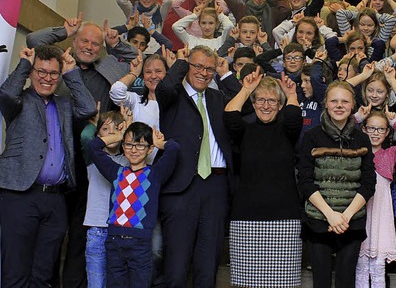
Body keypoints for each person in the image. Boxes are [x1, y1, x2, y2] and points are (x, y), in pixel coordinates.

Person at [26, 13, 137, 287]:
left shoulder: (108, 66)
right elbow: (33, 39)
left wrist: (115, 42)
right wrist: (63, 30)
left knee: (80, 233)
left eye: (95, 43)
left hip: (91, 163)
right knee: (50, 234)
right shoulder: (59, 64)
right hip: (53, 159)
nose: (89, 46)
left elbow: (135, 56)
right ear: (74, 42)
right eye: (84, 40)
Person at [0, 45, 96, 287]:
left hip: (55, 199)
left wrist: (71, 73)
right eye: (41, 71)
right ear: (32, 73)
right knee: (15, 271)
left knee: (43, 274)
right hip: (20, 195)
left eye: (53, 73)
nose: (47, 78)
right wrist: (24, 64)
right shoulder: (18, 100)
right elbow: (6, 93)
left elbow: (86, 107)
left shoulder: (63, 104)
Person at [155, 45, 234, 287]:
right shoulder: (172, 95)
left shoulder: (218, 98)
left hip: (216, 188)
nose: (203, 72)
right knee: (176, 267)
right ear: (188, 66)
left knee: (208, 265)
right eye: (197, 66)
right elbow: (164, 86)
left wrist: (226, 74)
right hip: (180, 188)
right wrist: (180, 62)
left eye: (209, 69)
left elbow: (247, 107)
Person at [223, 72, 303, 287]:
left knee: (283, 284)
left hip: (285, 220)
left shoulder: (287, 131)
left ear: (279, 105)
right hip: (246, 218)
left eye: (272, 101)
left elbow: (295, 116)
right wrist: (247, 89)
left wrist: (290, 93)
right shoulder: (244, 131)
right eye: (261, 100)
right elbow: (230, 114)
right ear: (254, 103)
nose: (266, 105)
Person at [298, 81, 376, 288]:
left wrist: (345, 216)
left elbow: (369, 183)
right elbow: (305, 180)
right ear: (326, 104)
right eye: (334, 101)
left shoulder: (362, 139)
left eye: (344, 101)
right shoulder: (312, 137)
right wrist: (330, 215)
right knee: (321, 282)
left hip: (352, 220)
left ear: (352, 105)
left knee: (345, 281)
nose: (339, 105)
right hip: (318, 219)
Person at [88, 122, 179, 287]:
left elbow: (174, 149)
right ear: (123, 146)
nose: (134, 150)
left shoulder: (154, 175)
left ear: (149, 149)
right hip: (114, 241)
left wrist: (159, 143)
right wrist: (118, 136)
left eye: (140, 145)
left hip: (140, 244)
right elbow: (93, 147)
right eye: (129, 144)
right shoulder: (115, 172)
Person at [355, 108, 396, 288]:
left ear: (387, 132)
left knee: (378, 267)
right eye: (371, 128)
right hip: (361, 209)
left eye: (381, 129)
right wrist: (358, 118)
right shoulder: (357, 151)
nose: (375, 133)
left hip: (381, 212)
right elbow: (344, 129)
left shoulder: (391, 154)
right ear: (363, 129)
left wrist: (395, 123)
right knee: (361, 266)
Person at [81, 109, 128, 288]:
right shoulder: (93, 157)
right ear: (98, 133)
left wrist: (127, 130)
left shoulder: (129, 159)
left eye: (116, 129)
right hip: (97, 230)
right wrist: (93, 124)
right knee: (96, 284)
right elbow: (86, 138)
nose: (111, 134)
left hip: (122, 231)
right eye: (105, 130)